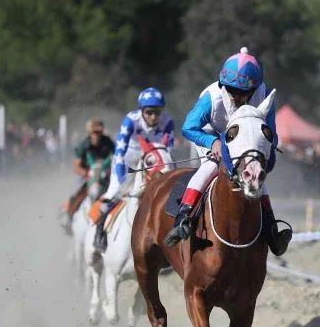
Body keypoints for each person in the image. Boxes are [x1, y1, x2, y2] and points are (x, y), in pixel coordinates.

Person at [164, 47, 292, 255]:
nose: (235, 96)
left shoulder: (264, 96)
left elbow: (272, 134)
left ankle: (272, 230)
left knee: (255, 174)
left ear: (254, 89)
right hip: (211, 134)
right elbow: (188, 127)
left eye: (241, 93)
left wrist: (262, 150)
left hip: (242, 140)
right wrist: (213, 142)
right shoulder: (211, 98)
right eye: (231, 90)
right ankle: (183, 218)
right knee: (210, 168)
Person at [94, 88, 175, 252]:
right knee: (115, 191)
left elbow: (167, 150)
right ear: (141, 111)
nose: (154, 117)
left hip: (152, 159)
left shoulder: (168, 122)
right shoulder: (131, 120)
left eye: (157, 112)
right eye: (149, 112)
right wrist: (120, 174)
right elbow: (119, 151)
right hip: (128, 160)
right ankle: (99, 232)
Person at [63, 119, 115, 232]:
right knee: (77, 193)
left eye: (99, 132)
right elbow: (76, 166)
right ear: (89, 133)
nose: (97, 135)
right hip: (86, 175)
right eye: (94, 132)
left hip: (105, 175)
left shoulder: (109, 143)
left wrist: (108, 171)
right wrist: (87, 173)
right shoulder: (83, 145)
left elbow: (116, 159)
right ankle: (69, 217)